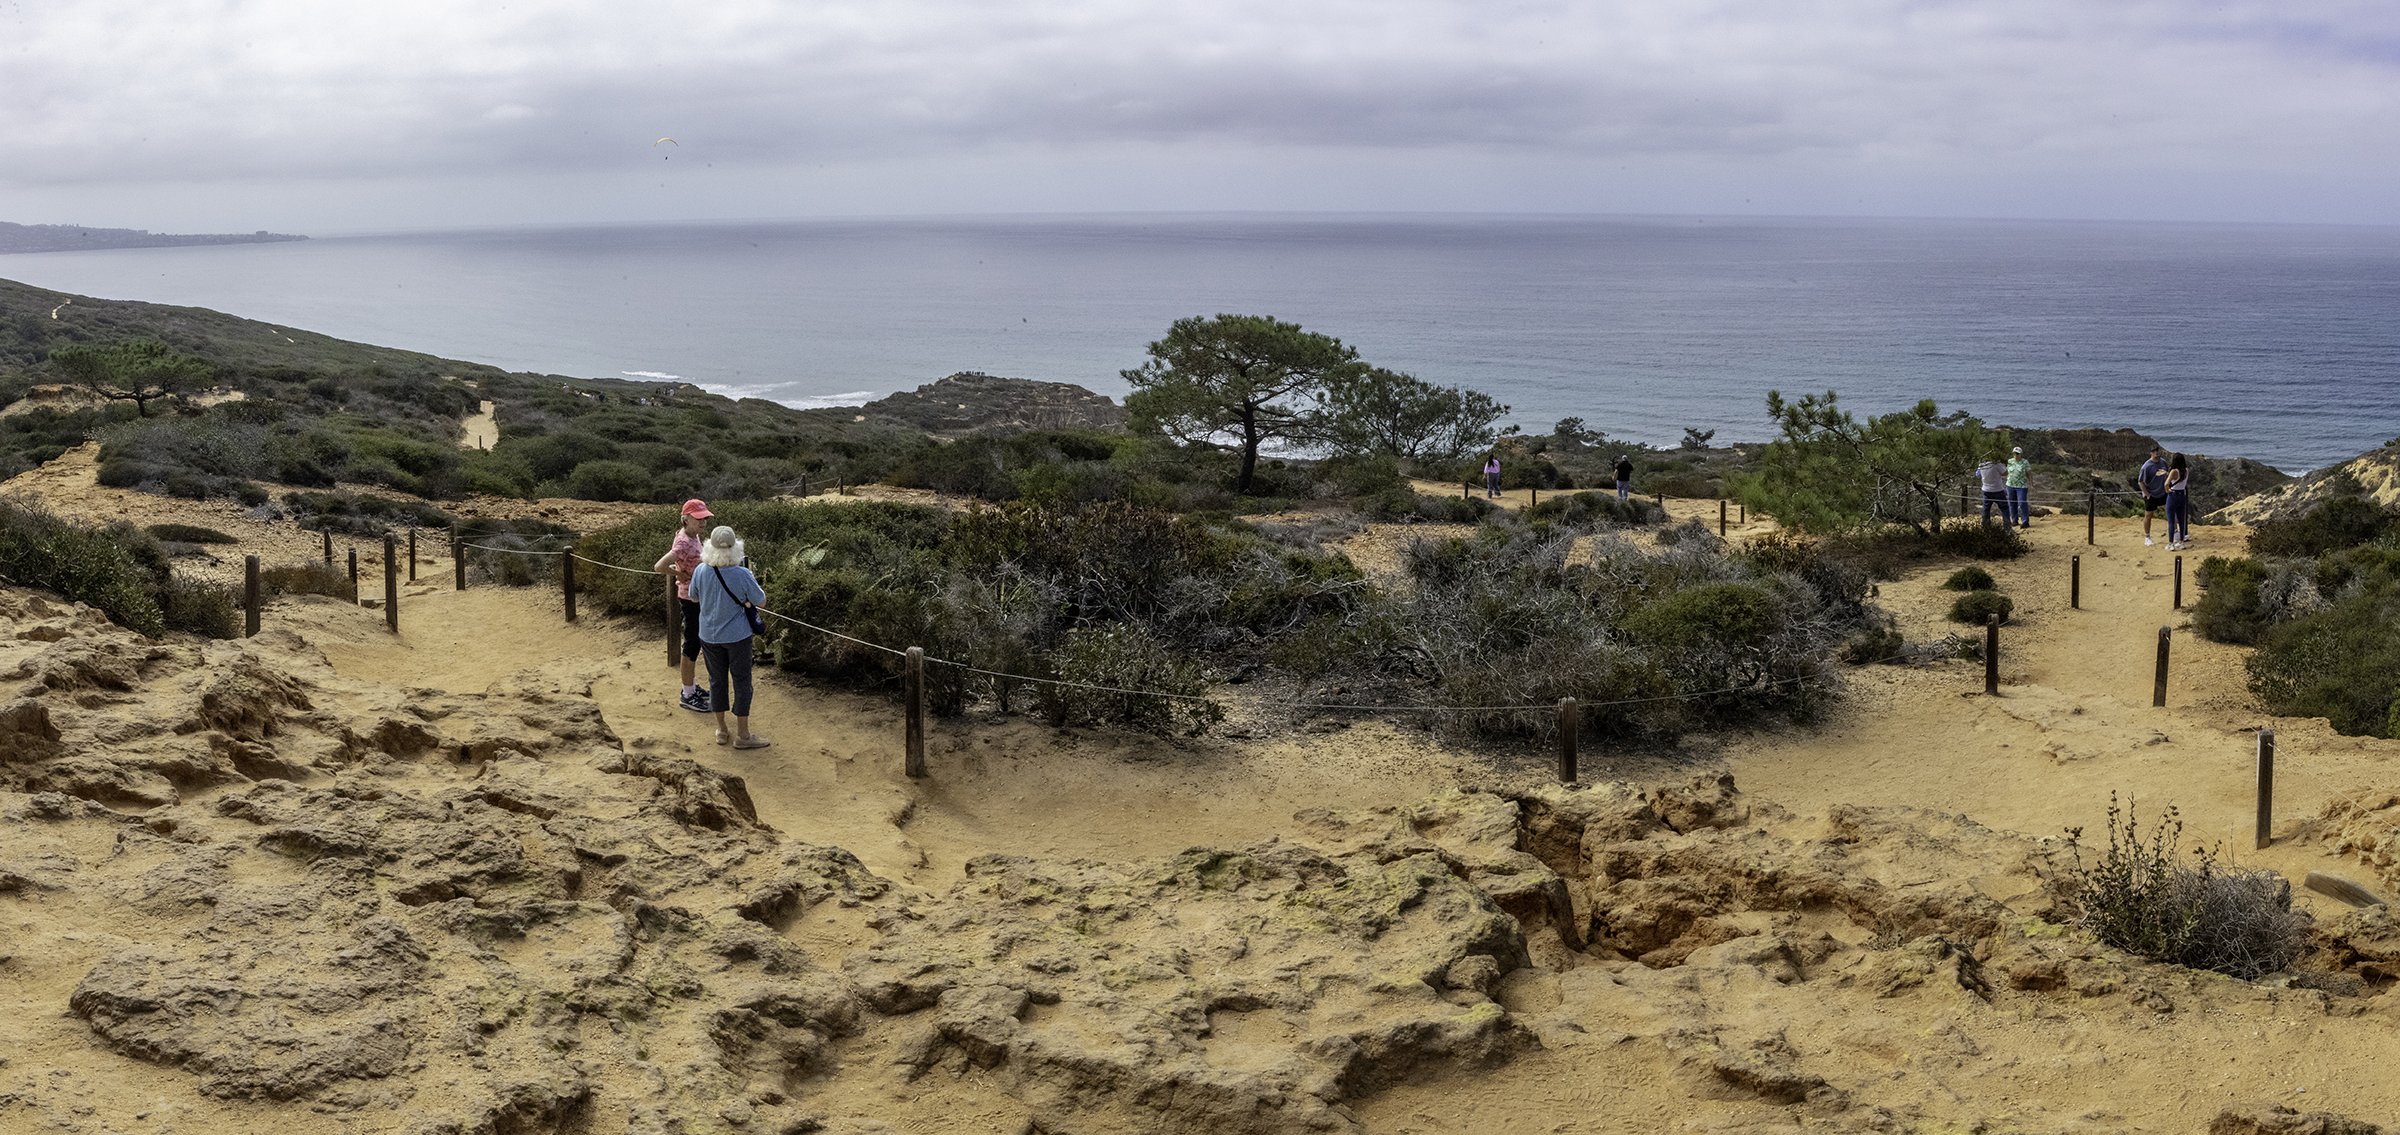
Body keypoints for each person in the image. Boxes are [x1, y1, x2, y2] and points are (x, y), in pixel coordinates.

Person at [691, 525, 770, 750]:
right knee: (742, 681)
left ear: (710, 546)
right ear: (736, 548)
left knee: (716, 681)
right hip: (737, 636)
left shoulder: (701, 570)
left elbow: (694, 597)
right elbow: (761, 601)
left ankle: (722, 730)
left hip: (708, 635)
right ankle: (743, 735)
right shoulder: (742, 574)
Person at [650, 499, 713, 712]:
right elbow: (659, 566)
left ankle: (692, 687)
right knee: (692, 645)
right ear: (686, 519)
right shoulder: (684, 542)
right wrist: (679, 574)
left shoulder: (692, 535)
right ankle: (687, 694)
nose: (703, 522)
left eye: (704, 518)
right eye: (698, 518)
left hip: (697, 597)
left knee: (696, 642)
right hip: (690, 599)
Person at [2137, 446, 2170, 547]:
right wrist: (2147, 494)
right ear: (2150, 453)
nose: (2156, 453)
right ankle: (2147, 537)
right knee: (2148, 515)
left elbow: (2168, 474)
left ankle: (2175, 532)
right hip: (2151, 494)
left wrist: (2167, 484)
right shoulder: (2146, 467)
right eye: (2154, 451)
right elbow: (2140, 482)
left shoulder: (2163, 462)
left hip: (2163, 492)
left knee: (2170, 511)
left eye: (2157, 451)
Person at [2164, 453, 2192, 550]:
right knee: (2181, 520)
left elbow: (2166, 483)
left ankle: (2171, 543)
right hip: (2182, 495)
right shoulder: (2186, 471)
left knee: (2171, 521)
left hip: (2173, 495)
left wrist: (2168, 491)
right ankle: (2181, 542)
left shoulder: (2174, 471)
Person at [1977, 454, 2008, 526]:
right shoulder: (1997, 464)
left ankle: (1985, 526)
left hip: (1986, 490)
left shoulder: (1981, 465)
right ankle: (2007, 526)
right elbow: (2005, 473)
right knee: (2004, 508)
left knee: (1986, 509)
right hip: (1998, 490)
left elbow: (1978, 475)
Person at [2005, 446, 2032, 529]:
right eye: (2014, 453)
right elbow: (2006, 472)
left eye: (2017, 454)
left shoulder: (2025, 462)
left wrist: (2031, 483)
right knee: (2012, 503)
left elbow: (2029, 473)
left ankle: (2025, 521)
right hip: (2010, 485)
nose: (2016, 455)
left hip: (2021, 486)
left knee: (2022, 503)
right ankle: (2014, 520)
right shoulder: (2009, 461)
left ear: (2021, 454)